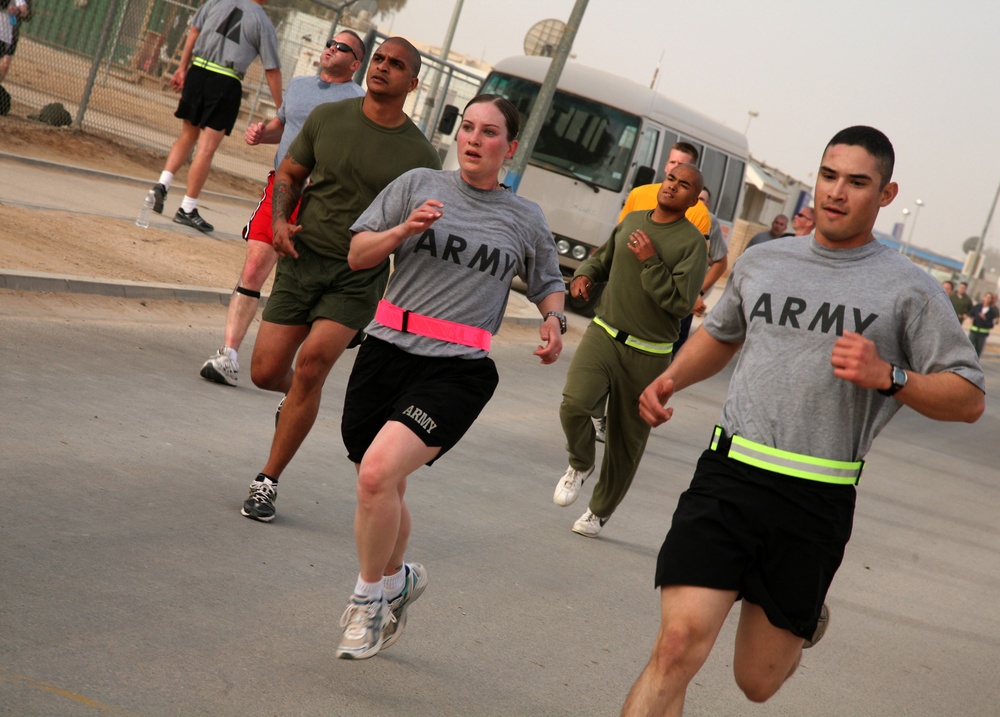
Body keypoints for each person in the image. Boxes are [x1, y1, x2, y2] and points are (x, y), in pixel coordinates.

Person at [621, 126, 985, 716]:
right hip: (729, 475)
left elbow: (968, 398)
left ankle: (804, 618)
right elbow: (722, 334)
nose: (837, 193)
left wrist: (889, 376)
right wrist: (669, 379)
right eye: (829, 176)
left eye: (858, 182)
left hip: (815, 498)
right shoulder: (765, 261)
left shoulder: (909, 290)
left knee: (756, 681)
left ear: (886, 195)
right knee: (676, 646)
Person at [334, 94, 566, 659]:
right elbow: (358, 254)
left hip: (457, 370)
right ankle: (397, 581)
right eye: (467, 128)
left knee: (376, 476)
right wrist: (401, 232)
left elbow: (548, 281)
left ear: (509, 149)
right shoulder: (416, 185)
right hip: (386, 351)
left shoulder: (524, 217)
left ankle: (366, 604)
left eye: (489, 133)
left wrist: (554, 321)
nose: (473, 139)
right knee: (382, 482)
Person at [240, 37, 441, 524]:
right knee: (266, 372)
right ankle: (295, 403)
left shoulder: (421, 155)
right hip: (301, 259)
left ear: (412, 83)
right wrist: (282, 221)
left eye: (396, 65)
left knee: (311, 367)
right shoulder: (330, 118)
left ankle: (266, 481)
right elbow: (290, 172)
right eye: (379, 59)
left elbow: (419, 233)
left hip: (358, 278)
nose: (383, 68)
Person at [199, 31, 366, 386]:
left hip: (322, 200)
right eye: (329, 43)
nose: (330, 49)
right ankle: (228, 355)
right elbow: (283, 126)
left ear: (355, 64)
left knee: (309, 285)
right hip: (282, 189)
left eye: (341, 48)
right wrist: (263, 133)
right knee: (255, 266)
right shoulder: (300, 86)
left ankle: (341, 327)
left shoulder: (359, 103)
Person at [552, 164, 707, 538]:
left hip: (649, 354)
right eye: (671, 179)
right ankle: (581, 462)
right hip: (604, 333)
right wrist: (585, 275)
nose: (673, 187)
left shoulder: (691, 244)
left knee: (626, 443)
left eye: (683, 185)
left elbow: (680, 302)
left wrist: (650, 260)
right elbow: (602, 258)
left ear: (692, 200)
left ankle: (599, 511)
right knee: (574, 403)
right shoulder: (634, 219)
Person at [148, 0, 282, 234]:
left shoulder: (216, 2)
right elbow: (272, 69)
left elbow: (194, 31)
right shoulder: (261, 20)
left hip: (198, 71)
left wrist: (182, 67)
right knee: (206, 148)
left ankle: (161, 185)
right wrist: (282, 108)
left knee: (188, 136)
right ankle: (187, 208)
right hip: (225, 80)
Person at [672, 186, 729, 355]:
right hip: (659, 292)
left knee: (672, 349)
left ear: (708, 205)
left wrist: (698, 294)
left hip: (685, 300)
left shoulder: (710, 222)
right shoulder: (671, 215)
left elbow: (720, 262)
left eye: (702, 200)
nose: (697, 203)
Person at [0, 0, 28, 83]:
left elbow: (25, 12)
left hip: (5, 38)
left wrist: (17, 10)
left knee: (5, 64)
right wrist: (8, 8)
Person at [968, 292, 997, 357]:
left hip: (982, 334)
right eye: (986, 297)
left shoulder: (992, 312)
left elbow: (991, 325)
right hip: (973, 331)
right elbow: (971, 314)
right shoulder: (977, 307)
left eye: (989, 298)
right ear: (984, 298)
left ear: (991, 300)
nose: (987, 299)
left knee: (978, 350)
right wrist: (972, 318)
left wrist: (985, 319)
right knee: (968, 347)